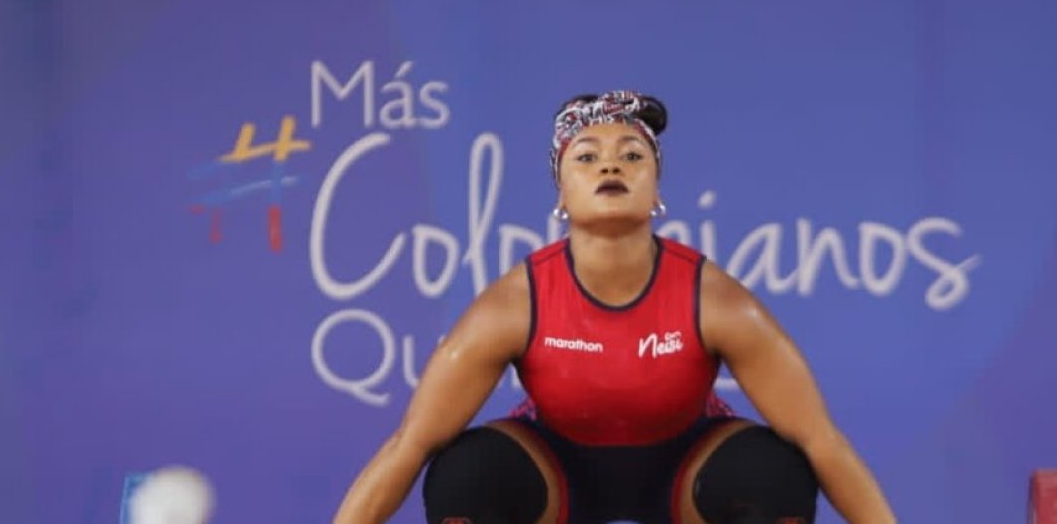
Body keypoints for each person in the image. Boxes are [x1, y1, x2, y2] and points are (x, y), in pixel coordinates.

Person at [333, 91, 896, 524]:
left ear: (656, 192)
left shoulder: (715, 300)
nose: (611, 166)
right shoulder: (513, 305)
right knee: (465, 477)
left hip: (688, 471)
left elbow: (823, 440)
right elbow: (410, 445)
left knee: (775, 474)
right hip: (558, 475)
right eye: (587, 156)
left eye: (632, 155)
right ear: (560, 194)